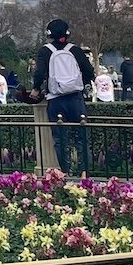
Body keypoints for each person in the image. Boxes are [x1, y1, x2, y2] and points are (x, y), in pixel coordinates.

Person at [34, 18, 94, 175]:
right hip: (75, 97)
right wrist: (81, 83)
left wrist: (35, 89)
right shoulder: (75, 50)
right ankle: (84, 172)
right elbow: (89, 71)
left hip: (56, 99)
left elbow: (39, 73)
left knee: (60, 138)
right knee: (82, 136)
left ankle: (65, 172)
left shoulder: (45, 51)